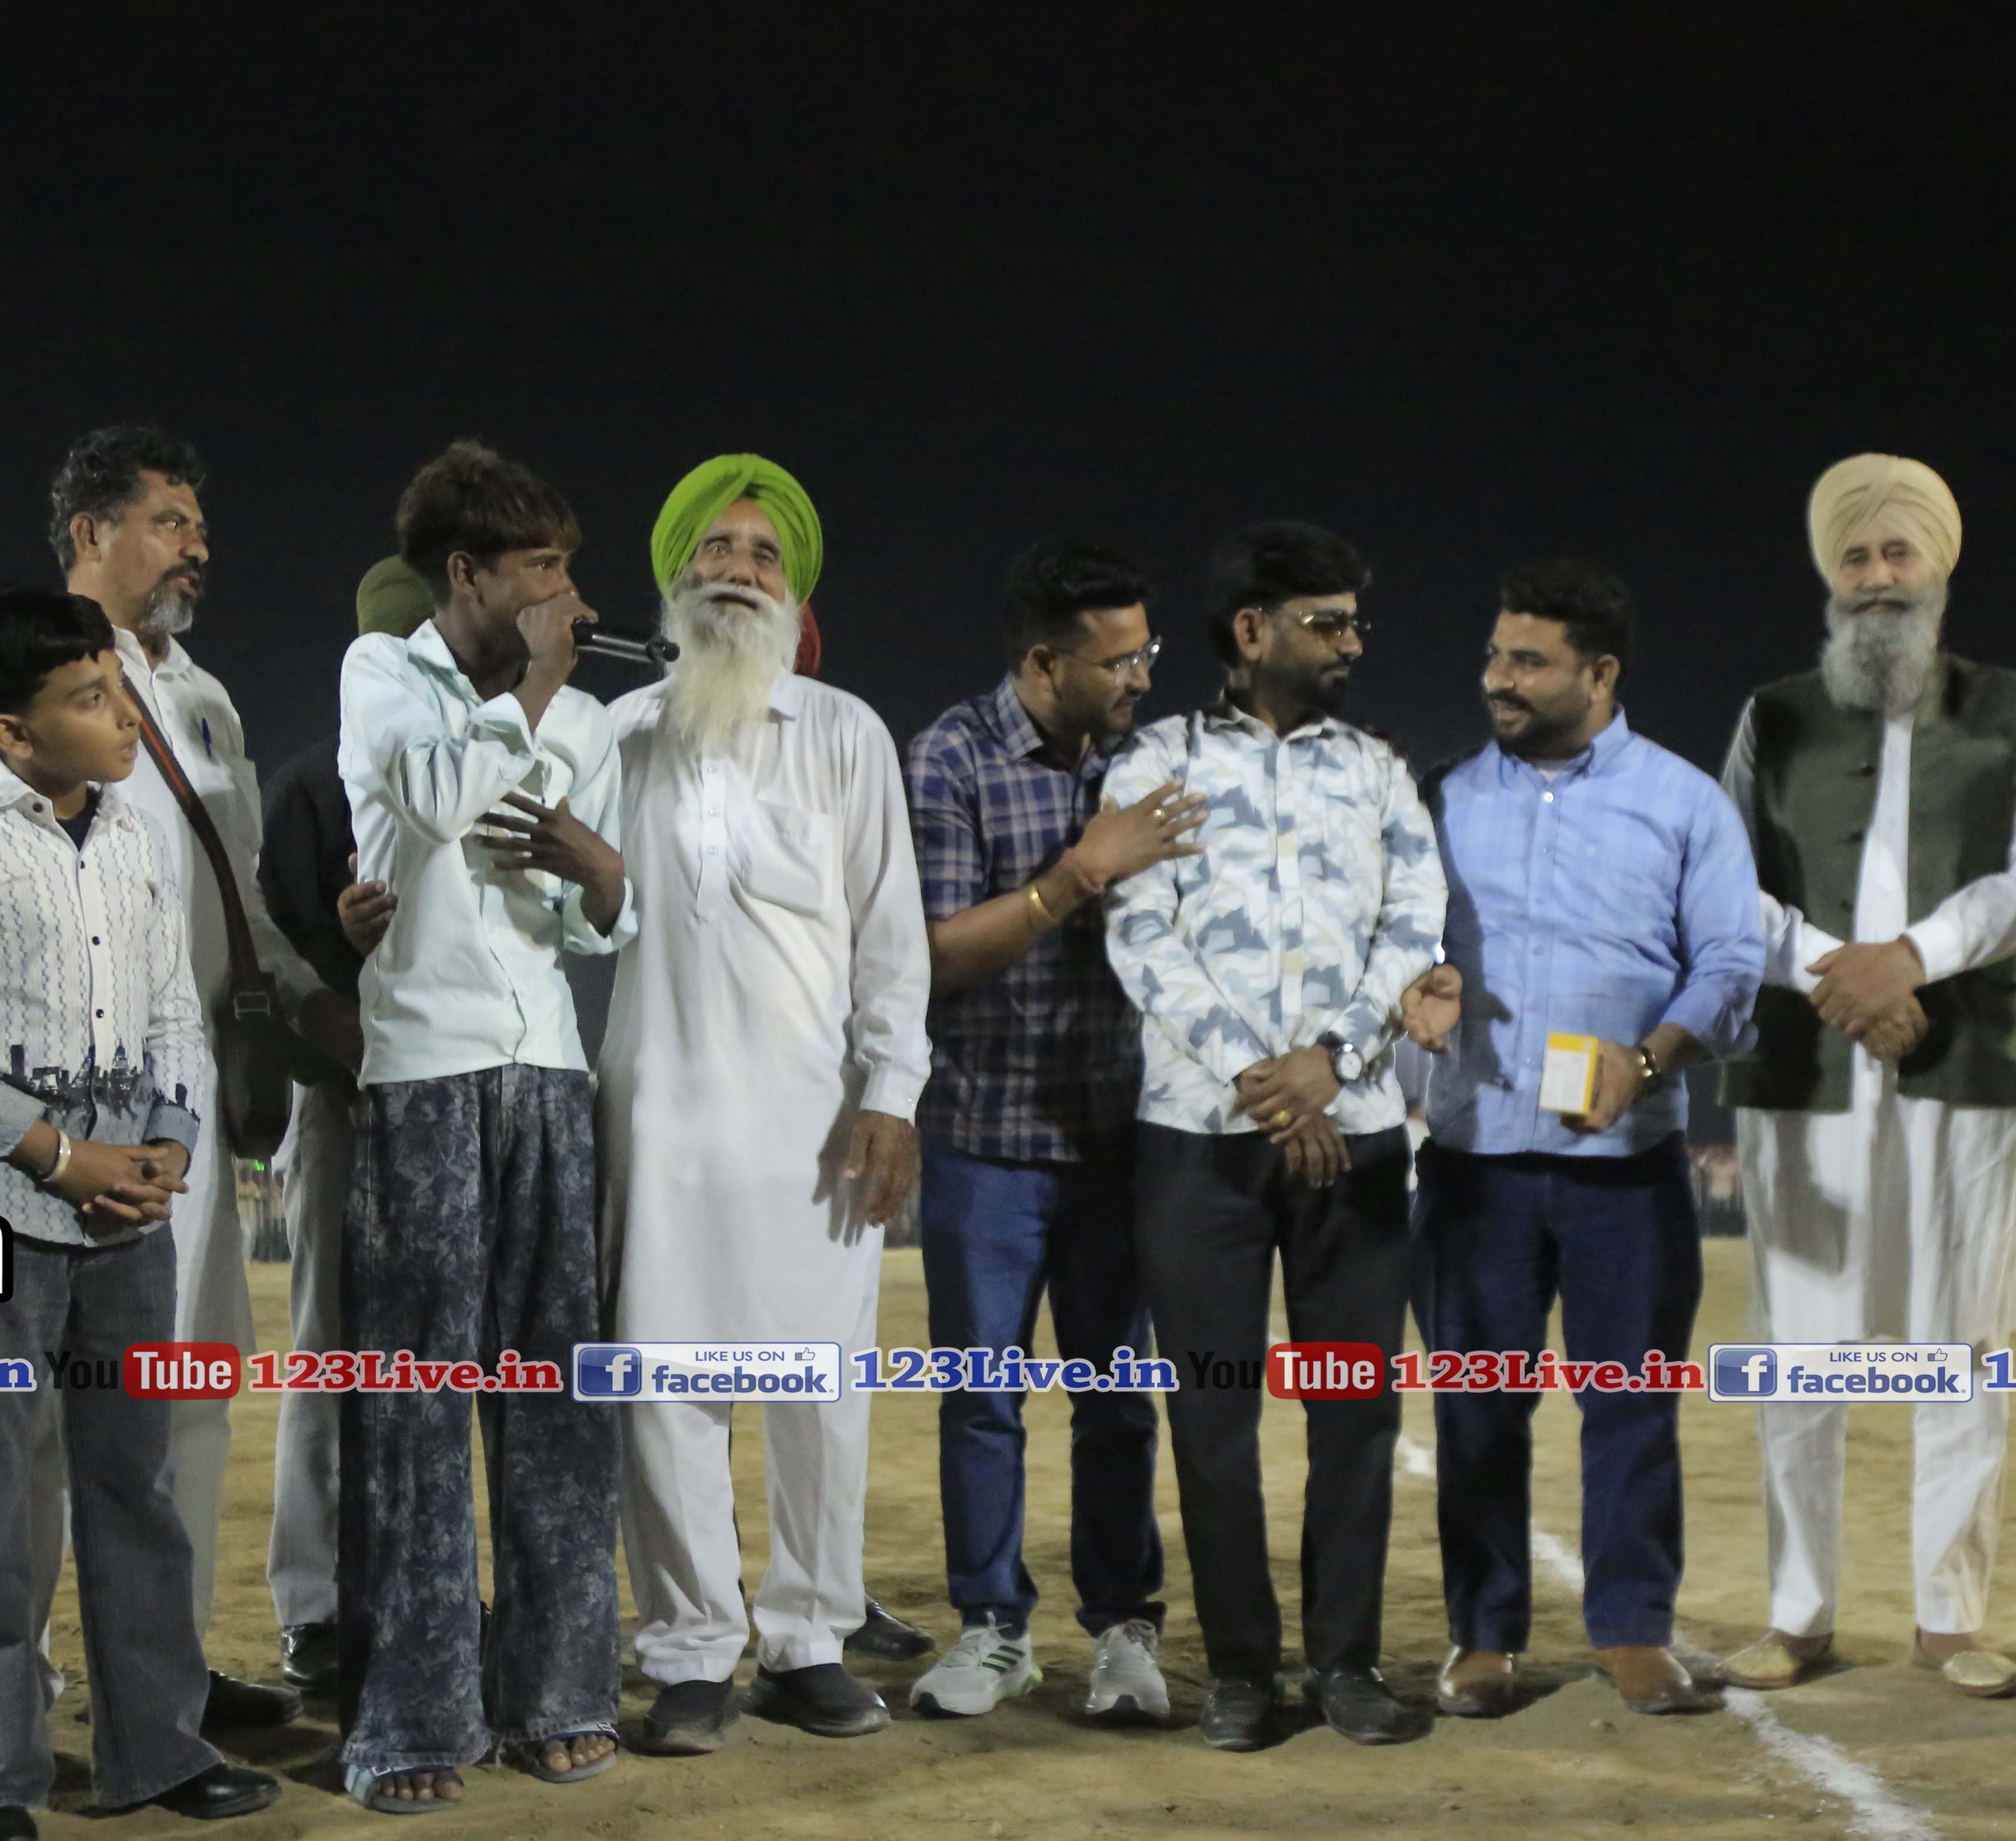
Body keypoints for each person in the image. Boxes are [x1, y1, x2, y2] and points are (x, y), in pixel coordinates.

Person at [0, 424, 317, 1734]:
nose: (198, 546)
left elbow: (239, 902)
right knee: (20, 1427)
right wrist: (20, 1131)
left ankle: (162, 1682)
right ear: (90, 533)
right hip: (32, 1127)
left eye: (198, 524)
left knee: (184, 1389)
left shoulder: (207, 699)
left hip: (175, 1112)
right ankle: (5, 1695)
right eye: (170, 521)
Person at [0, 586, 277, 1841]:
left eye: (120, 689)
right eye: (90, 699)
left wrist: (170, 1148)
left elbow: (172, 1016)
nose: (125, 718)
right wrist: (57, 1153)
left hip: (125, 1227)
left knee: (135, 1491)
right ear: (11, 730)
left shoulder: (137, 842)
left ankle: (157, 1749)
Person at [1715, 461, 2016, 1702]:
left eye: (1897, 554)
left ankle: (1950, 1619)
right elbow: (1724, 888)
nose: (1877, 579)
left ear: (1938, 568)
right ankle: (1797, 1613)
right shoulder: (1773, 717)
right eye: (1856, 558)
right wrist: (1839, 973)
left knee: (1962, 1337)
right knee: (1801, 1347)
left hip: (1964, 1058)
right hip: (1808, 1063)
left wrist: (1912, 959)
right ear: (1831, 577)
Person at [1104, 521, 1453, 1749]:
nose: (1352, 644)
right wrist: (1265, 1083)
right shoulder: (1158, 759)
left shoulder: (1377, 770)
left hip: (1357, 1137)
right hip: (1198, 1139)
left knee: (1355, 1414)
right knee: (1213, 1417)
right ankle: (1242, 1671)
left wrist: (1332, 1067)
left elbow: (1416, 923)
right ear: (1252, 632)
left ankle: (1347, 1663)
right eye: (1328, 623)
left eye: (1357, 623)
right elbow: (1140, 932)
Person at [603, 454, 930, 1754]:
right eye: (717, 550)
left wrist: (892, 1093)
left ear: (793, 592)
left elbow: (892, 940)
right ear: (675, 576)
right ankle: (691, 1651)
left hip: (816, 1130)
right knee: (664, 1390)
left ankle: (808, 1641)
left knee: (816, 1396)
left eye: (763, 555)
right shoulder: (619, 737)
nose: (738, 572)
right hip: (658, 1123)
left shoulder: (845, 733)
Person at [335, 443, 635, 1812]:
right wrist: (536, 690)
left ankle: (561, 1693)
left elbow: (593, 923)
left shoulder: (580, 722)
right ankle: (409, 1723)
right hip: (426, 1070)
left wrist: (598, 873)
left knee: (559, 1402)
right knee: (414, 1408)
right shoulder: (383, 675)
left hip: (547, 1065)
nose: (566, 592)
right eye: (540, 568)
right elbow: (437, 798)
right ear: (466, 574)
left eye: (568, 566)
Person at [1418, 559, 1758, 1719]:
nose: (1498, 679)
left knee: (1631, 1402)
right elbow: (1396, 944)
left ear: (1601, 673)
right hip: (1475, 1161)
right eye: (1494, 654)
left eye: (1529, 661)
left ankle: (1633, 1631)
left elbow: (1732, 963)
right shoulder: (1445, 798)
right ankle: (1482, 1637)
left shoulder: (1685, 803)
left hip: (1629, 1169)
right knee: (1477, 1404)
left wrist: (1648, 1061)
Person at [900, 542, 1199, 1721]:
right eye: (1116, 661)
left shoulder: (1151, 762)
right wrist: (1076, 876)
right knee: (981, 1396)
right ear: (1042, 661)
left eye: (1145, 653)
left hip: (1122, 1140)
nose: (1140, 678)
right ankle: (994, 1630)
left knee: (1117, 1398)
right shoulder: (950, 757)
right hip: (983, 1134)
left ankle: (1124, 1630)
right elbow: (931, 958)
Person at [252, 557, 430, 1698]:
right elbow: (274, 959)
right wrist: (346, 988)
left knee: (435, 1363)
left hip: (453, 1104)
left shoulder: (481, 767)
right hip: (343, 1102)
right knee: (329, 1355)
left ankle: (418, 1584)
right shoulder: (313, 784)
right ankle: (315, 1605)